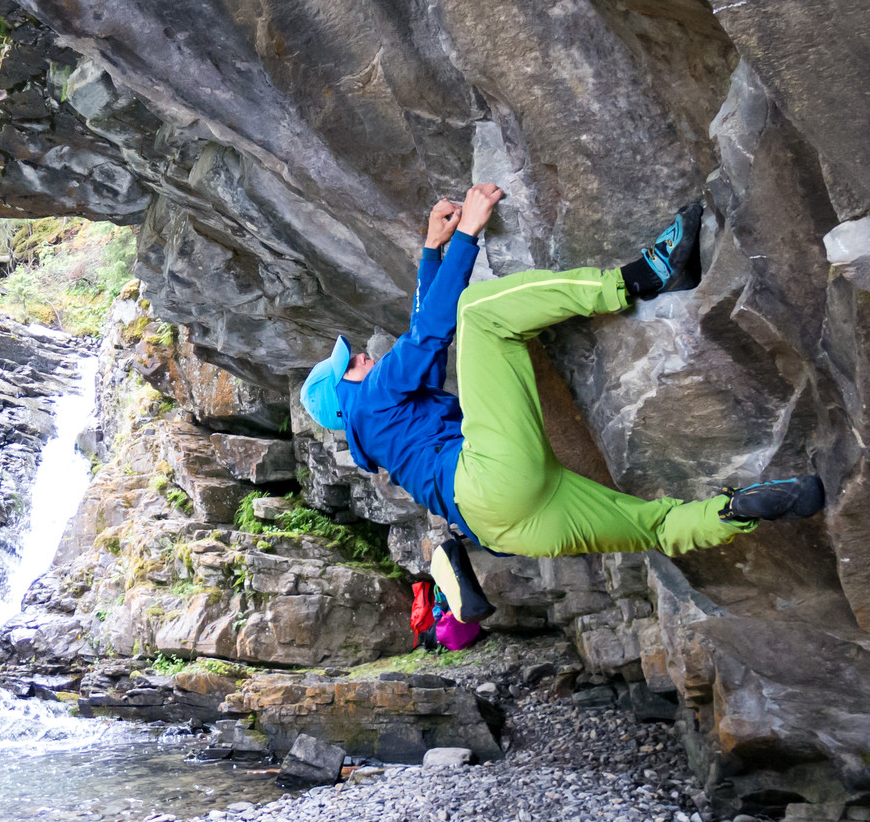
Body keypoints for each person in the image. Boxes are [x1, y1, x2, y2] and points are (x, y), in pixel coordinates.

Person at [301, 184, 826, 623]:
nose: (364, 356)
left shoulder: (378, 432)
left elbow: (424, 343)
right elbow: (430, 331)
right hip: (487, 475)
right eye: (352, 362)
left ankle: (735, 511)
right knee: (480, 313)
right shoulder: (371, 397)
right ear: (344, 392)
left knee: (656, 526)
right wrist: (466, 235)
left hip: (510, 527)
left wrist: (431, 253)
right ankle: (638, 278)